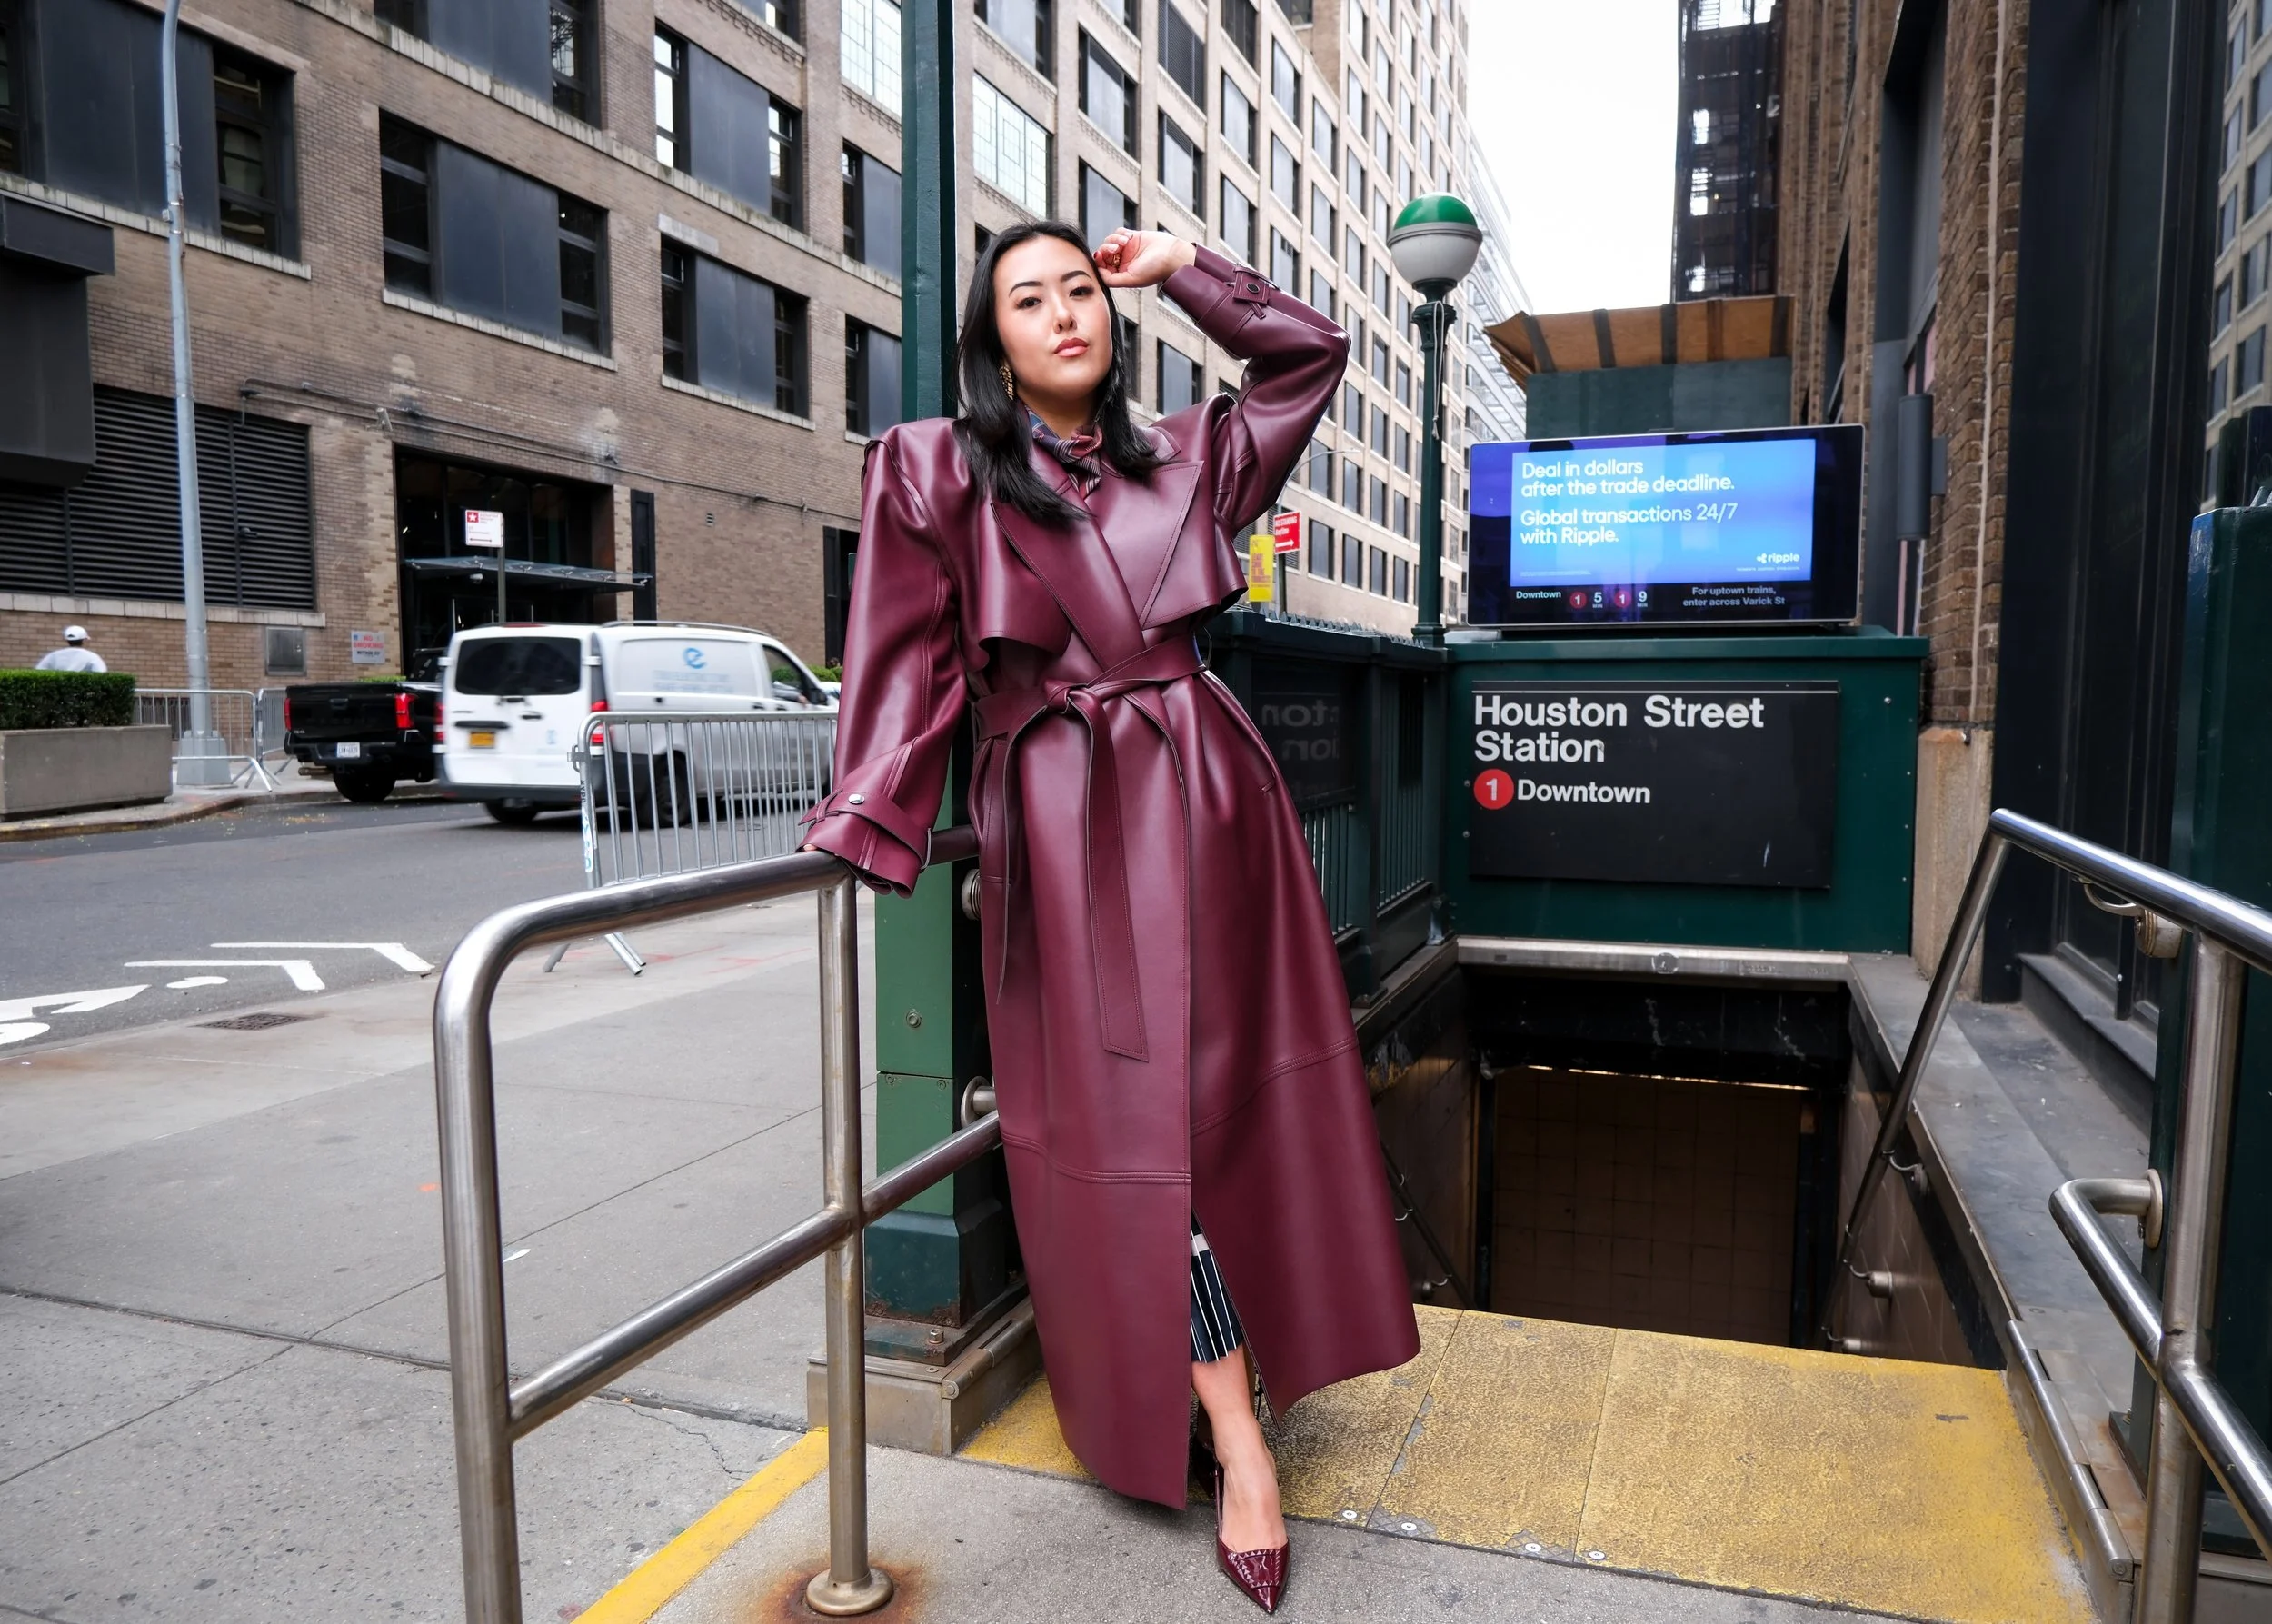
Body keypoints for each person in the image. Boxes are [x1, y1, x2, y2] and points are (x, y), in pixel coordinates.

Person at [801, 224, 1418, 1615]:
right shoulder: (935, 469)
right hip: (1069, 832)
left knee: (1237, 1115)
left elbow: (1310, 351)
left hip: (1214, 811)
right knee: (1145, 1158)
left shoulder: (1187, 452)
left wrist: (1187, 264)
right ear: (992, 338)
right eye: (1030, 297)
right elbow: (896, 657)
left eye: (1079, 287)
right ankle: (1239, 1441)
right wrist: (869, 816)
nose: (1064, 312)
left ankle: (1246, 1389)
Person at [34, 626, 106, 673]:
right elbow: (101, 673)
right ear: (84, 640)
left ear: (67, 640)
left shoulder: (54, 655)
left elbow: (39, 670)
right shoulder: (92, 657)